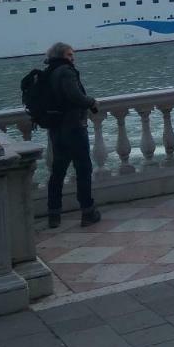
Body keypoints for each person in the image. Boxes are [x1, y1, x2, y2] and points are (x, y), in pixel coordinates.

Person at [44, 41, 102, 228]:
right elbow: (75, 96)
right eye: (69, 55)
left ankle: (54, 214)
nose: (73, 58)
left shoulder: (48, 72)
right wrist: (91, 101)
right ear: (61, 56)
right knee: (83, 169)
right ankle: (88, 211)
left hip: (56, 129)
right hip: (74, 128)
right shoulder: (66, 72)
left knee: (58, 172)